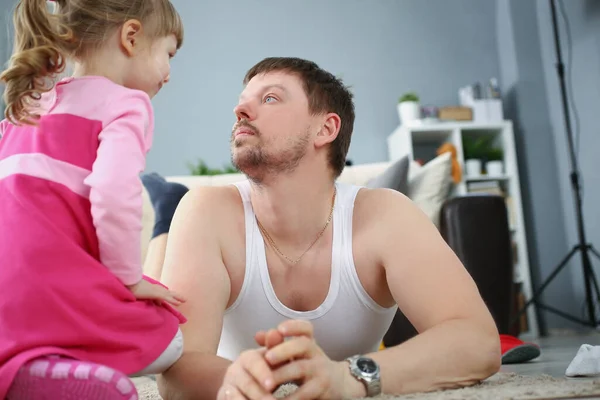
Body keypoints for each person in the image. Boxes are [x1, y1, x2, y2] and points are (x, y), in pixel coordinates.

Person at [144, 57, 501, 400]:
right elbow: (177, 371)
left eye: (269, 98)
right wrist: (231, 383)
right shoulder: (205, 210)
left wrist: (350, 378)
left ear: (325, 128)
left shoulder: (386, 215)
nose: (240, 111)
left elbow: (477, 341)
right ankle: (166, 207)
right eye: (242, 102)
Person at [0, 0, 187, 399]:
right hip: (51, 286)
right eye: (169, 55)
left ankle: (26, 366)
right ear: (131, 37)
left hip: (7, 296)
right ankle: (53, 371)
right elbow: (113, 194)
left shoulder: (25, 107)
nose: (170, 75)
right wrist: (129, 280)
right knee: (173, 338)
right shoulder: (126, 105)